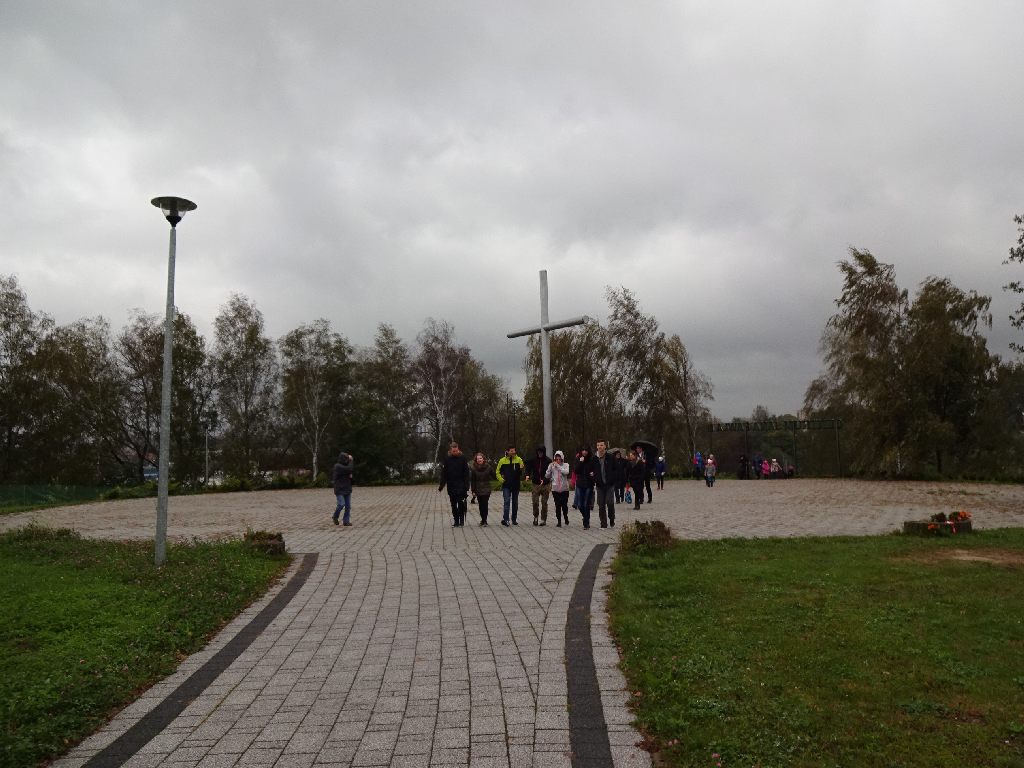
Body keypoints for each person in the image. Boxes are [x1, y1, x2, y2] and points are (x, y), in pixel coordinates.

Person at [438, 442, 470, 527]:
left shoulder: (463, 458)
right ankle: (456, 521)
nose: (455, 452)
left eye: (456, 451)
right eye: (453, 451)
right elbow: (444, 474)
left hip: (461, 485)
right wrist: (441, 485)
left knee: (461, 503)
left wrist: (467, 485)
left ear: (458, 449)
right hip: (451, 485)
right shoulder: (447, 459)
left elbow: (466, 473)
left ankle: (461, 520)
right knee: (453, 504)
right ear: (450, 450)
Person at [495, 445, 525, 526]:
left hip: (516, 485)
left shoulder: (519, 460)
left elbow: (522, 472)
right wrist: (501, 480)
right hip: (506, 485)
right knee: (507, 501)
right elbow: (497, 472)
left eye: (514, 451)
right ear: (507, 451)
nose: (513, 452)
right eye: (511, 451)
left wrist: (522, 470)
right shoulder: (502, 460)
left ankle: (514, 519)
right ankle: (506, 519)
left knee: (515, 503)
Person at [593, 440, 619, 528]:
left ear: (605, 446)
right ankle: (603, 523)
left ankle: (612, 518)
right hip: (599, 485)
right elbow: (591, 469)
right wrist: (594, 477)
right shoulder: (594, 458)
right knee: (601, 504)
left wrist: (612, 478)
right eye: (598, 445)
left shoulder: (610, 457)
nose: (599, 447)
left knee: (610, 502)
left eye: (601, 445)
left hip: (609, 484)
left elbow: (616, 469)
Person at [524, 445, 552, 526]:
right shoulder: (533, 460)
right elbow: (528, 467)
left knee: (544, 502)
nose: (540, 453)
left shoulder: (548, 461)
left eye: (541, 452)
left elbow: (550, 473)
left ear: (544, 452)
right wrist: (527, 475)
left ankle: (543, 519)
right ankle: (535, 516)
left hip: (545, 484)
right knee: (535, 502)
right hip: (535, 484)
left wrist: (545, 480)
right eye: (538, 452)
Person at [546, 450, 571, 527]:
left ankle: (566, 517)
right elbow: (547, 476)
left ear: (562, 459)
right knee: (557, 505)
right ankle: (559, 521)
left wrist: (558, 466)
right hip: (555, 489)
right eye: (556, 459)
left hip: (564, 489)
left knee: (564, 505)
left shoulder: (566, 465)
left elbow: (566, 472)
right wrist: (549, 468)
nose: (558, 461)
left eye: (559, 459)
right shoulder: (552, 466)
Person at [573, 447, 596, 529]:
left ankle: (586, 523)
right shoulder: (578, 459)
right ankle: (585, 517)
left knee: (586, 504)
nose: (584, 452)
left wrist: (593, 474)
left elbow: (595, 470)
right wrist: (580, 462)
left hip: (589, 484)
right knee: (580, 505)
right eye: (583, 450)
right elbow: (575, 471)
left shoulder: (591, 460)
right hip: (580, 484)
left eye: (586, 450)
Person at [331, 451, 355, 526]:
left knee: (348, 506)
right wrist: (351, 460)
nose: (347, 460)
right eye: (346, 459)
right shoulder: (337, 466)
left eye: (347, 459)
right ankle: (335, 516)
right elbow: (349, 469)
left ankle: (346, 521)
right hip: (339, 489)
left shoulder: (347, 466)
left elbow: (351, 476)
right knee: (341, 504)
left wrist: (351, 478)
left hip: (347, 488)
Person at [469, 452, 493, 525]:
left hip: (486, 489)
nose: (479, 460)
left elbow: (494, 475)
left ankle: (484, 520)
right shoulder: (473, 468)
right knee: (480, 505)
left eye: (480, 458)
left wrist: (502, 476)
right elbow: (473, 481)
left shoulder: (488, 467)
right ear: (476, 460)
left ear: (483, 459)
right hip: (478, 489)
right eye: (478, 459)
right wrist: (473, 490)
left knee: (485, 504)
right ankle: (482, 519)